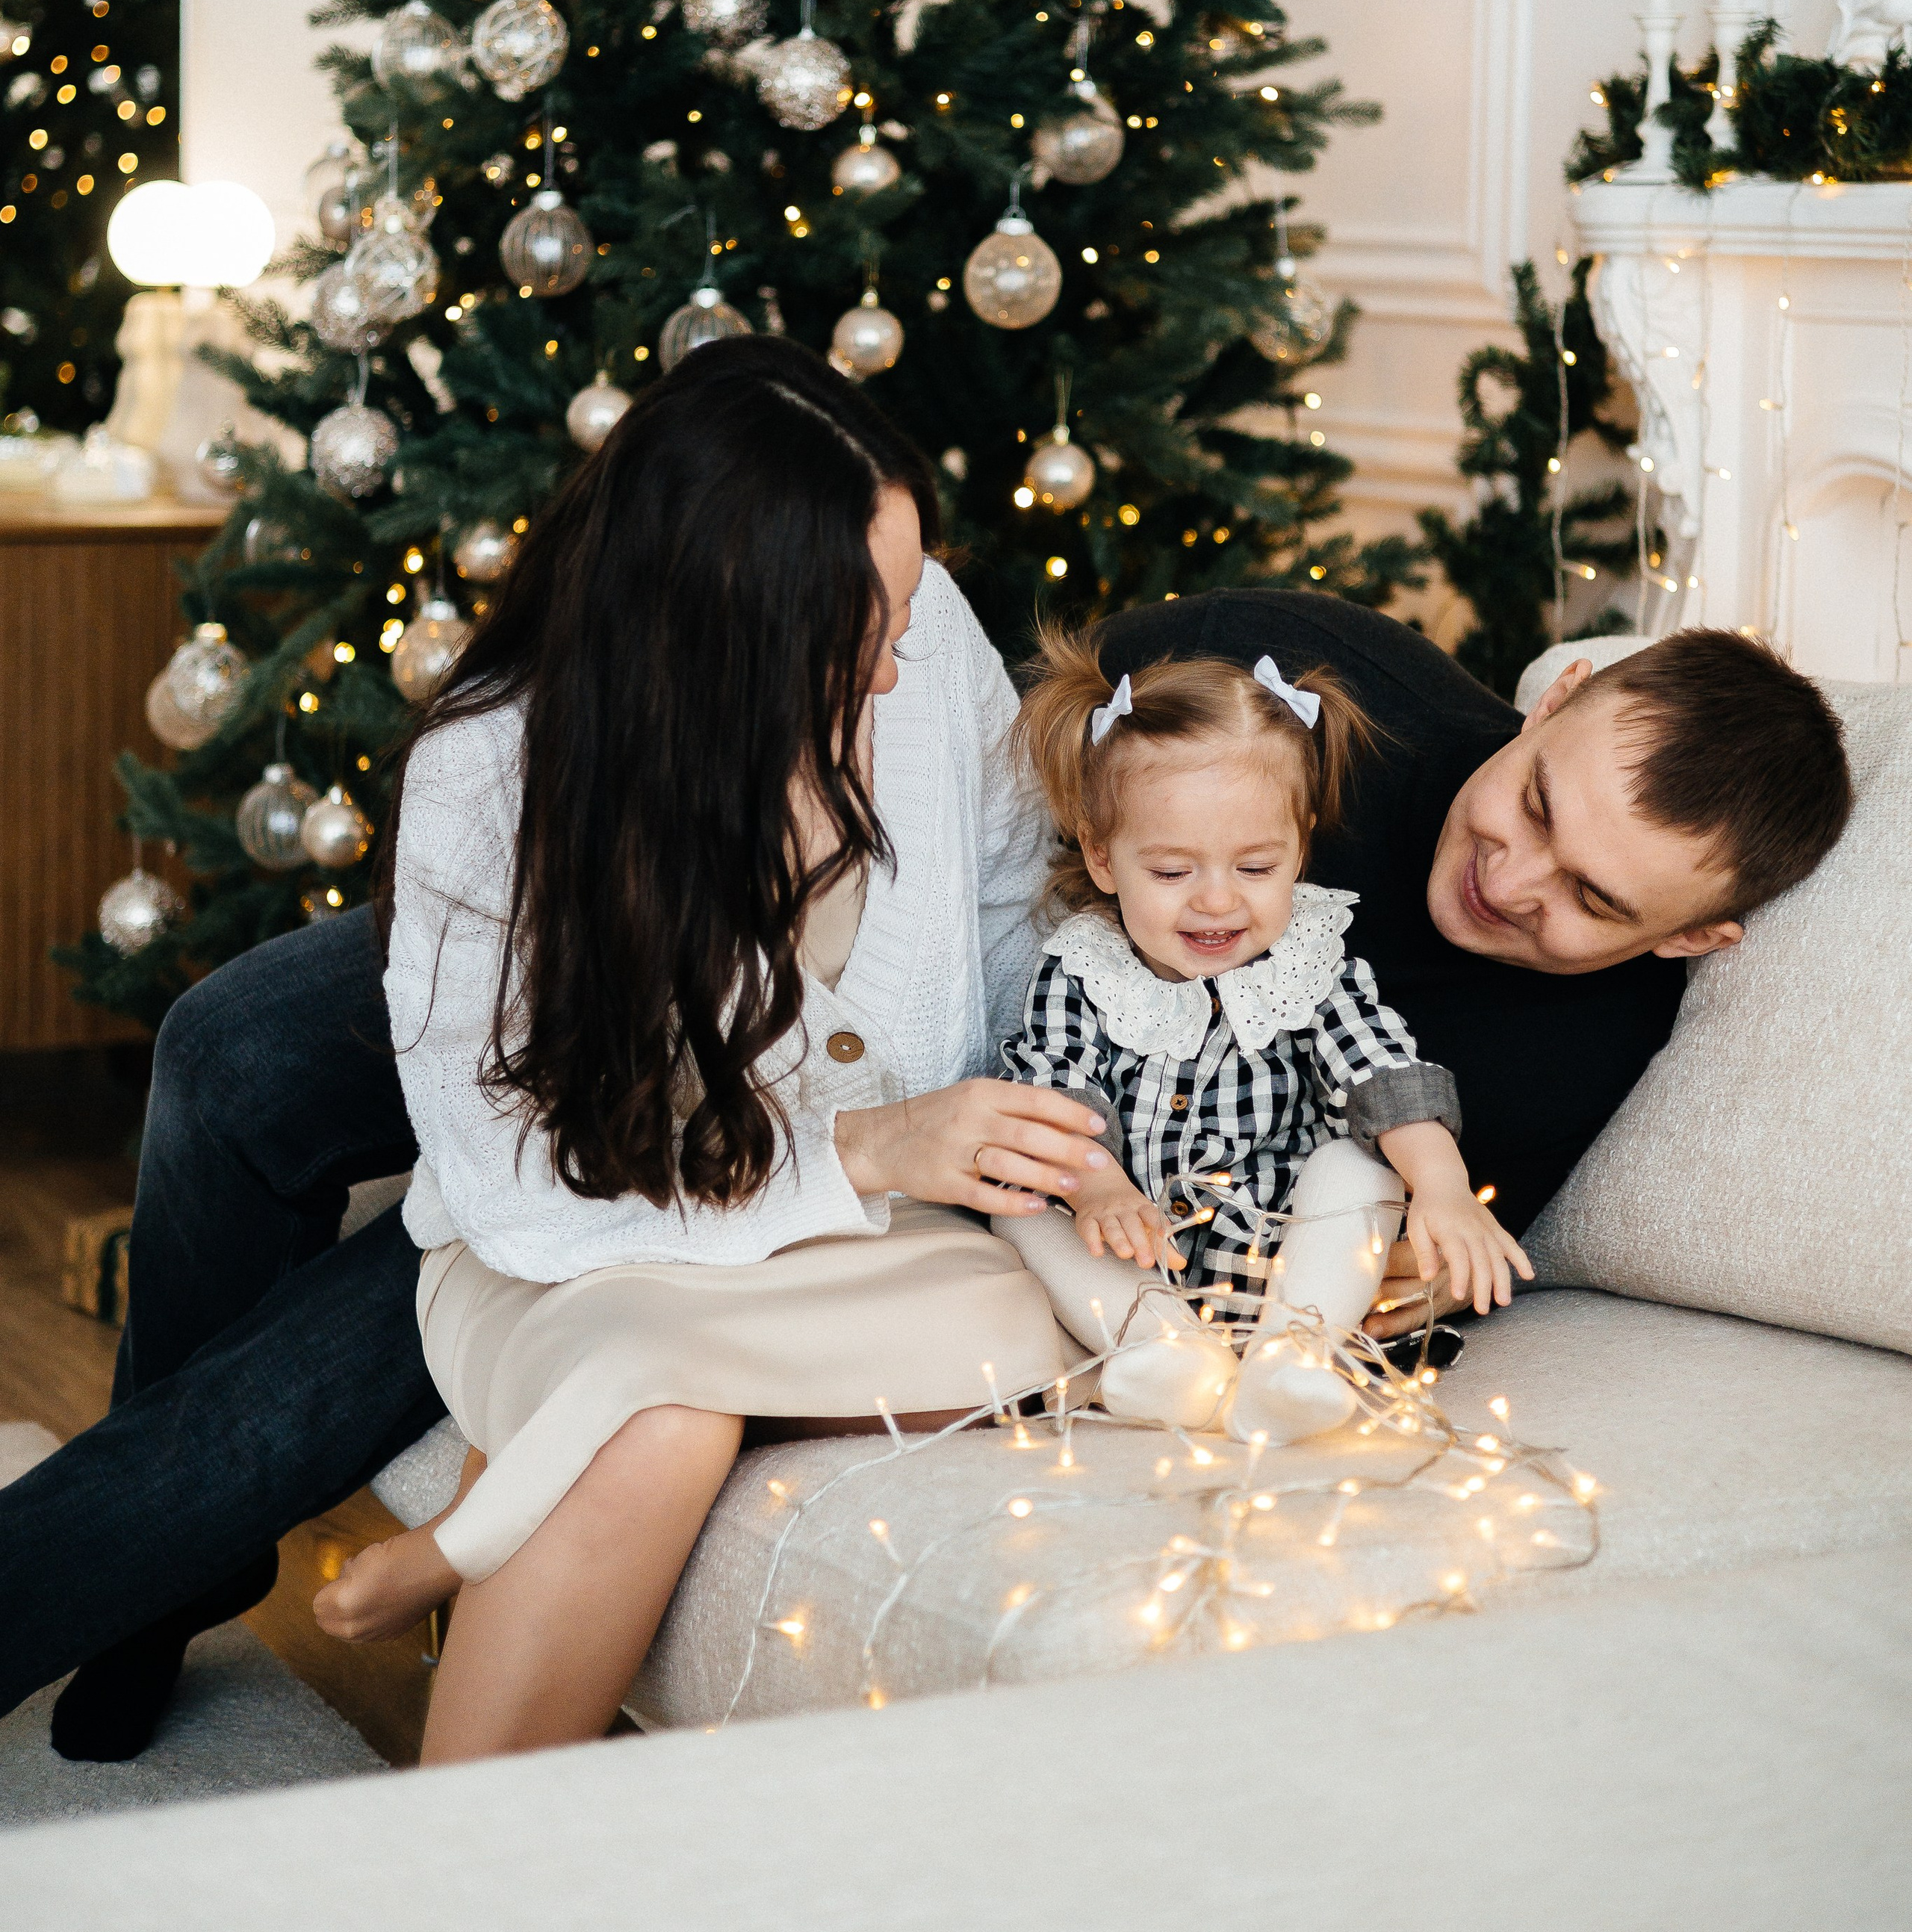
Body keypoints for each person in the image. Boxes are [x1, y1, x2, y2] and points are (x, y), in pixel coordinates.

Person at [0, 517, 1851, 1751]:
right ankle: (183, 1568)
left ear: (1688, 939)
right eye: (1536, 802)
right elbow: (971, 759)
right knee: (236, 1049)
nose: (1510, 876)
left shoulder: (1565, 1044)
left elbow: (1369, 1232)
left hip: (933, 1135)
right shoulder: (1306, 668)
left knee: (449, 1263)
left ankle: (117, 1577)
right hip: (772, 948)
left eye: (1589, 899)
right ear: (1556, 693)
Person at [298, 338, 1116, 1762]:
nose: (899, 663)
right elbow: (512, 1196)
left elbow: (1014, 936)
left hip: (879, 1258)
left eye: (908, 602)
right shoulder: (490, 776)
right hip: (578, 1262)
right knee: (656, 1417)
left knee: (1035, 1326)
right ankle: (447, 1869)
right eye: (855, 634)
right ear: (710, 629)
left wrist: (1063, 1140)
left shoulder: (923, 647)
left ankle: (489, 1512)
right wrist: (863, 1148)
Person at [990, 630, 1531, 1436]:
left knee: (1360, 1161)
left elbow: (1382, 1071)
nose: (1217, 901)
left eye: (1255, 868)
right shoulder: (1081, 969)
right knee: (1021, 1202)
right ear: (1103, 859)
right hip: (1135, 1248)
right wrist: (1095, 1186)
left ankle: (1294, 1356)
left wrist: (1445, 1188)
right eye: (1172, 871)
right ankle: (1161, 1352)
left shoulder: (1312, 964)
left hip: (1282, 1255)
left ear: (1299, 848)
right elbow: (1054, 1089)